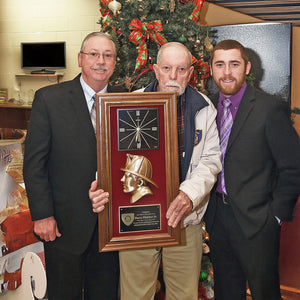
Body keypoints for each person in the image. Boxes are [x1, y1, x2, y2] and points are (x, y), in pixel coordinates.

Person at [89, 42, 222, 300]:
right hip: (138, 218)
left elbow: (210, 161)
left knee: (183, 295)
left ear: (191, 72)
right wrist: (101, 187)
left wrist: (188, 196)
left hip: (186, 219)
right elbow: (111, 158)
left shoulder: (203, 107)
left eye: (181, 69)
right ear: (155, 70)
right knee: (135, 294)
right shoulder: (128, 104)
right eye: (167, 68)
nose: (173, 76)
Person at [23, 32, 123, 300]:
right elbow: (34, 164)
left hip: (112, 227)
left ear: (114, 62)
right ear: (80, 59)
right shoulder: (49, 99)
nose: (100, 61)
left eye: (107, 55)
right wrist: (42, 215)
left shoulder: (126, 101)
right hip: (63, 225)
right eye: (94, 54)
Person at [205, 39, 300, 300]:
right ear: (211, 69)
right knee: (227, 291)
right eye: (220, 65)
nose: (226, 72)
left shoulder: (269, 109)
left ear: (246, 67)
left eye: (234, 64)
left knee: (264, 292)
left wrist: (276, 217)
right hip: (216, 217)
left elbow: (293, 167)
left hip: (257, 221)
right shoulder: (205, 108)